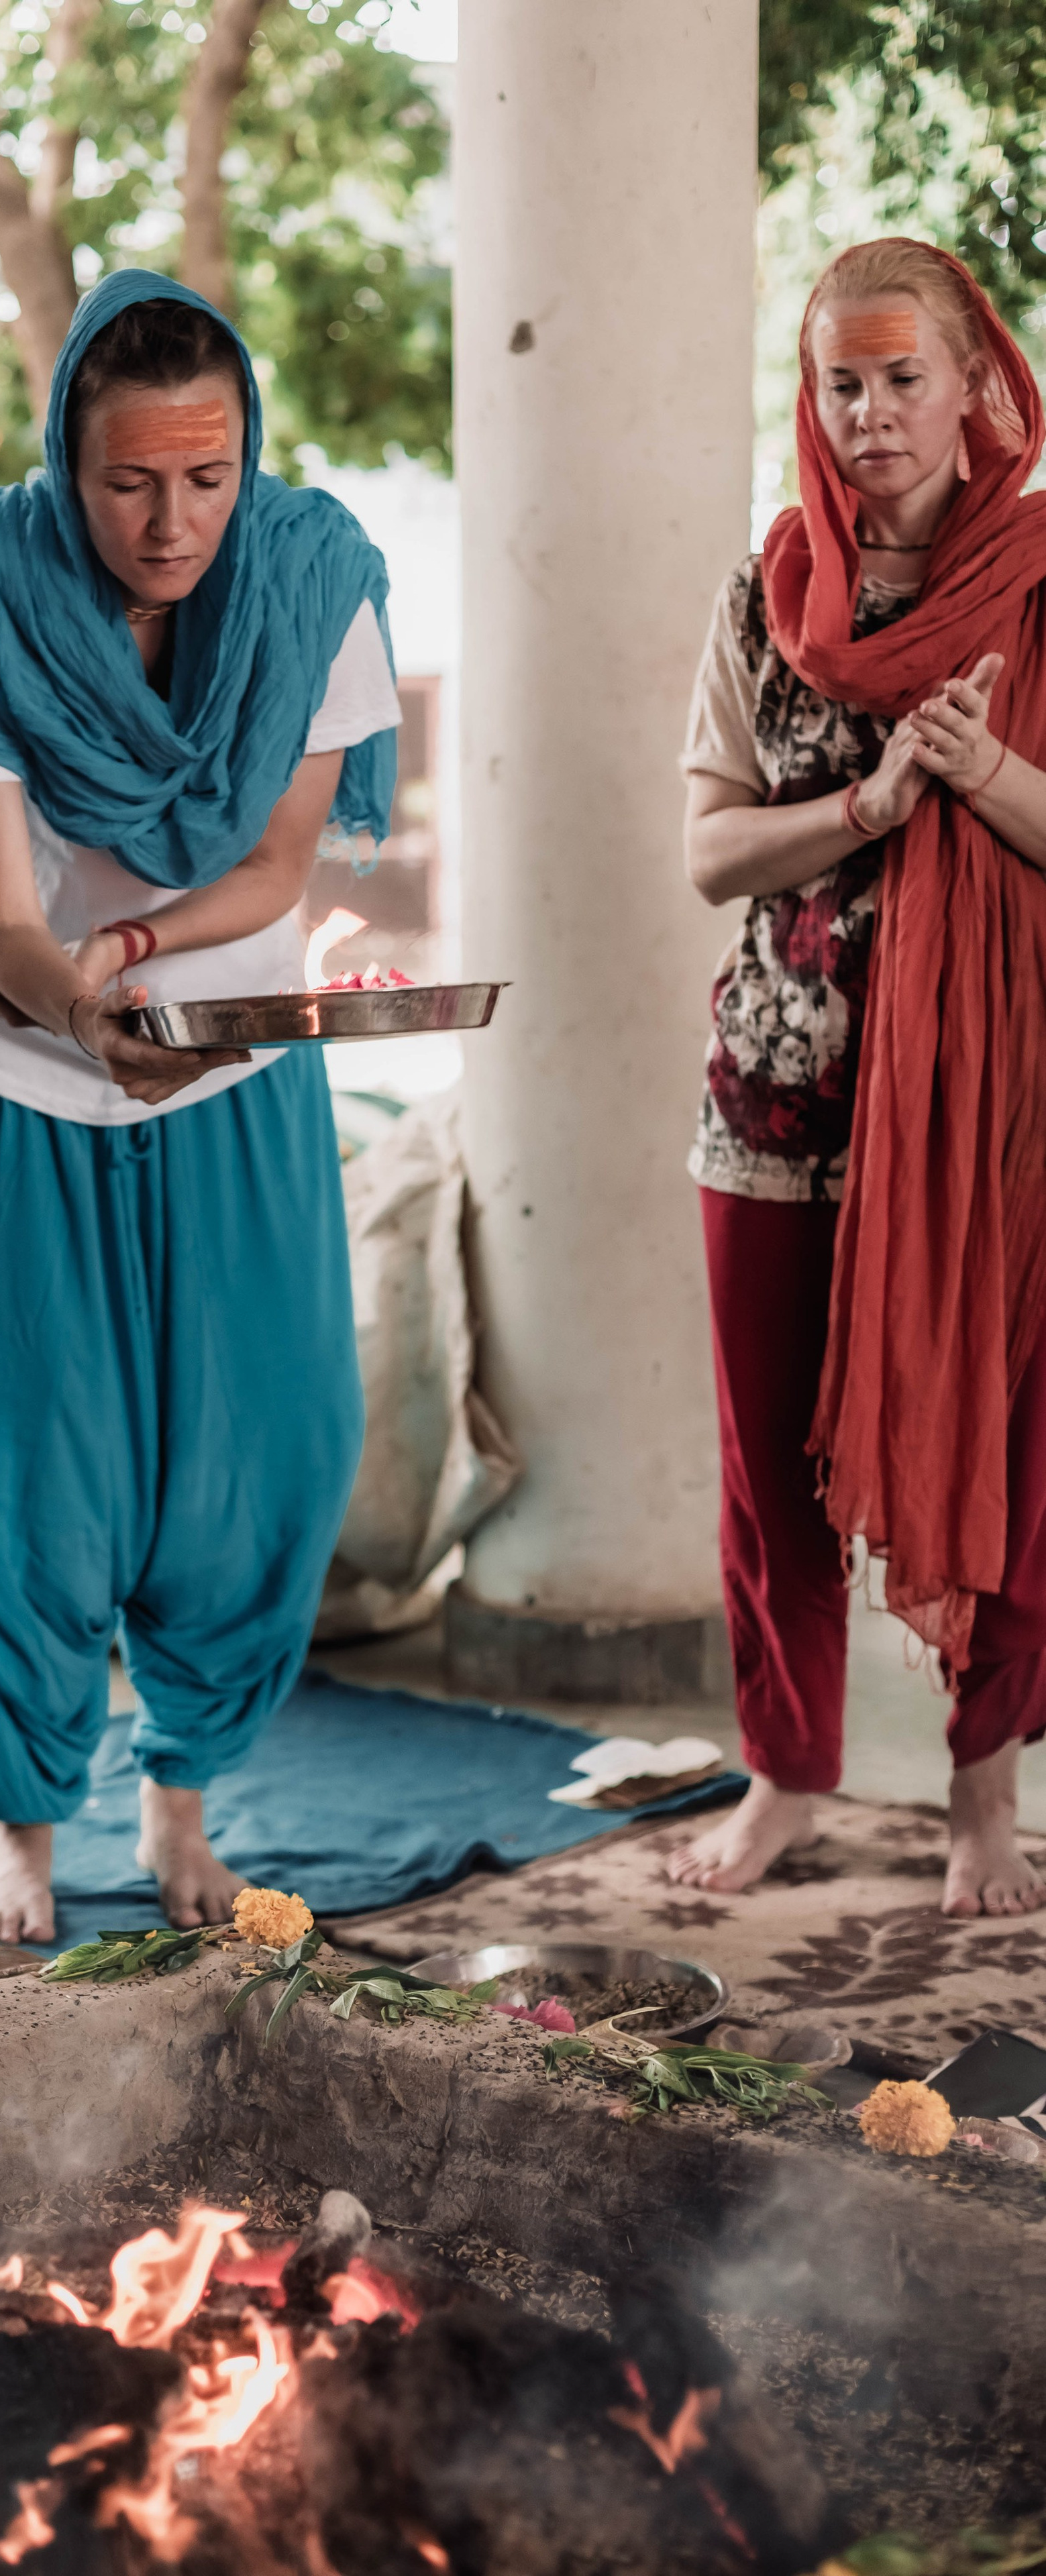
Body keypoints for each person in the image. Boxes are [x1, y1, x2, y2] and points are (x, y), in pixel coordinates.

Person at [0, 270, 397, 1943]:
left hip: (224, 1055)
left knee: (270, 1441)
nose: (171, 524)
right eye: (128, 482)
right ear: (64, 459)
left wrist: (147, 954)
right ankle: (22, 1818)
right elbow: (10, 919)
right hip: (25, 1072)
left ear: (250, 458)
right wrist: (89, 1003)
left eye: (208, 477)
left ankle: (178, 1808)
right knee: (40, 1457)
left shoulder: (314, 581)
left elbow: (283, 862)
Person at [672, 237, 1046, 1917]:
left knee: (1006, 1448)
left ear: (977, 385)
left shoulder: (1039, 586)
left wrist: (988, 776)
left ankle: (983, 1797)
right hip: (777, 1100)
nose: (872, 413)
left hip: (989, 1129)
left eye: (905, 378)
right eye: (842, 381)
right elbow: (706, 853)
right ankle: (784, 1779)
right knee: (771, 1473)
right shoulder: (768, 590)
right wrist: (868, 808)